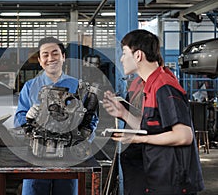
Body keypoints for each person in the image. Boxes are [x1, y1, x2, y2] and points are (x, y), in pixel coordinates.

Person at [103, 29, 204, 195]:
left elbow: (184, 136)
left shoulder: (164, 86)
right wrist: (123, 113)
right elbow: (151, 128)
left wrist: (138, 139)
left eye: (124, 53)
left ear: (138, 56)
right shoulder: (149, 85)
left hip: (173, 182)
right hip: (158, 177)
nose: (121, 59)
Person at [14, 36, 98, 195]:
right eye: (45, 55)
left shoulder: (77, 87)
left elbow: (91, 120)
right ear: (39, 60)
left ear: (63, 57)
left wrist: (82, 142)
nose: (50, 58)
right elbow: (18, 119)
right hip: (36, 157)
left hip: (68, 157)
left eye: (55, 53)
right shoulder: (30, 86)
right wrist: (28, 117)